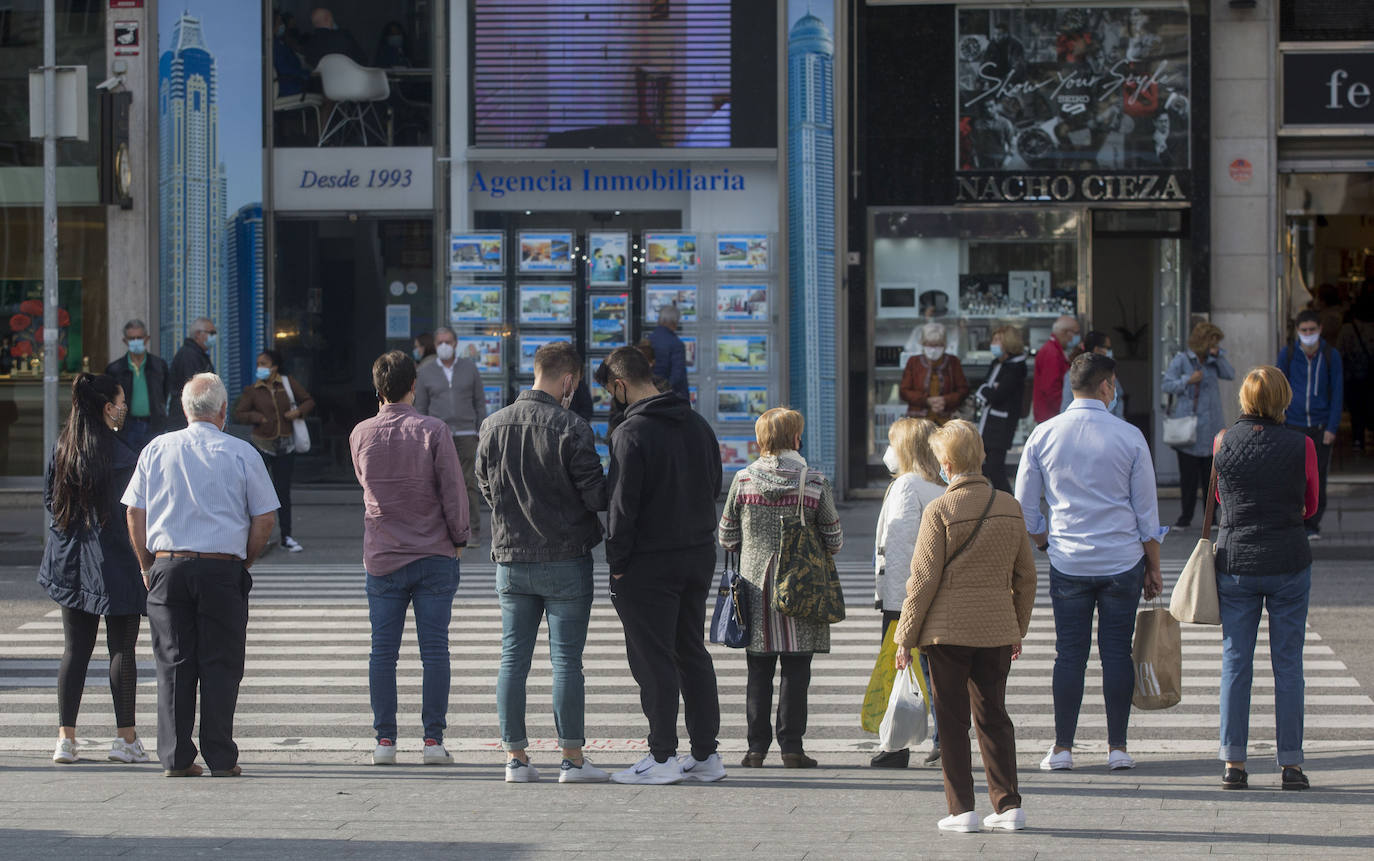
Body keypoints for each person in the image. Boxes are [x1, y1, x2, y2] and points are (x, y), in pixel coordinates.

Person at [1014, 353, 1165, 773]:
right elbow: (1146, 514)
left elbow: (1026, 509)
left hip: (1069, 561)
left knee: (1070, 654)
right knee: (1117, 652)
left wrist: (1045, 542)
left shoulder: (1043, 435)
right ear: (1105, 387)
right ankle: (1118, 747)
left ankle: (1062, 748)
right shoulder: (1130, 436)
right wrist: (1153, 566)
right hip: (1123, 560)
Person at [123, 373, 278, 777]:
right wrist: (244, 560)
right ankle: (221, 757)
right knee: (221, 663)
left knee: (174, 662)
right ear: (223, 413)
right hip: (221, 567)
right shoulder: (243, 452)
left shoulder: (157, 448)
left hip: (168, 565)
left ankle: (175, 757)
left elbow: (134, 512)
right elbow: (264, 518)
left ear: (185, 410)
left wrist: (145, 563)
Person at [476, 341, 610, 784]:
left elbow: (485, 487)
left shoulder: (491, 426)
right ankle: (571, 760)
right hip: (566, 559)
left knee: (512, 658)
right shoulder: (572, 427)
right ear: (568, 380)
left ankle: (515, 759)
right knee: (566, 661)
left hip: (511, 559)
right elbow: (595, 495)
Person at [895, 419, 1036, 833]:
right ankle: (1008, 806)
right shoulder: (1009, 506)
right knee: (994, 716)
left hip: (946, 633)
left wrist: (905, 635)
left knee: (953, 721)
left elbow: (922, 579)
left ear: (948, 463)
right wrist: (1017, 628)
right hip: (995, 631)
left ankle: (962, 811)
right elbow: (1025, 577)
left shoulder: (941, 509)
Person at [601, 346, 725, 785]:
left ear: (620, 385)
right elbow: (715, 484)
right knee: (691, 650)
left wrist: (616, 562)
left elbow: (621, 506)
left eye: (610, 393)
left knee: (652, 659)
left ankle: (661, 757)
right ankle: (707, 755)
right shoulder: (696, 423)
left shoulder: (630, 433)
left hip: (648, 562)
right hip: (697, 554)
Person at [350, 351, 469, 766]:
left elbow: (366, 485)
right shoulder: (434, 430)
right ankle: (433, 742)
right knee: (434, 650)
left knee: (383, 652)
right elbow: (453, 490)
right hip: (434, 552)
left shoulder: (360, 433)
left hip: (383, 555)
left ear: (377, 387)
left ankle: (385, 742)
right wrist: (459, 538)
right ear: (413, 386)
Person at [718, 408, 843, 770]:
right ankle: (792, 748)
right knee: (796, 672)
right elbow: (834, 539)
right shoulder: (814, 481)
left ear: (761, 441)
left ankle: (755, 749)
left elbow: (726, 537)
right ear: (796, 438)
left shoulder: (742, 480)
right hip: (800, 589)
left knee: (758, 672)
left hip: (755, 590)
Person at [1213, 366, 1319, 791]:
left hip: (1236, 561)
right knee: (1288, 665)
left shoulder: (1223, 441)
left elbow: (1221, 498)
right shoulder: (1303, 445)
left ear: (1245, 399)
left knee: (1235, 663)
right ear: (1283, 400)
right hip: (1289, 560)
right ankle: (1290, 765)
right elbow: (1310, 504)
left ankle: (1233, 764)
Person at [38, 374, 148, 765]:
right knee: (122, 648)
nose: (124, 410)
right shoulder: (123, 455)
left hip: (71, 561)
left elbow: (51, 504)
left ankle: (65, 739)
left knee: (75, 650)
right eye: (120, 403)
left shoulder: (64, 448)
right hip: (118, 559)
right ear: (107, 408)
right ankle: (126, 738)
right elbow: (133, 514)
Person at [871, 417, 946, 768]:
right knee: (934, 673)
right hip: (936, 591)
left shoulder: (907, 486)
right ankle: (944, 741)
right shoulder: (939, 485)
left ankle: (895, 745)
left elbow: (901, 548)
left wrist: (899, 609)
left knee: (901, 669)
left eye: (892, 443)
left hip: (906, 595)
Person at [233, 350, 315, 553]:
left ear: (274, 367)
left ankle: (287, 535)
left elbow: (308, 401)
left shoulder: (286, 383)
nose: (259, 367)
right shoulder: (253, 390)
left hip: (285, 446)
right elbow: (239, 413)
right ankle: (254, 537)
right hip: (262, 445)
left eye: (264, 363)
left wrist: (297, 412)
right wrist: (256, 417)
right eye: (258, 363)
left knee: (283, 492)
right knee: (255, 492)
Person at [415, 327, 487, 545]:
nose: (444, 346)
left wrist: (480, 430)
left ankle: (472, 530)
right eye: (439, 343)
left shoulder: (469, 368)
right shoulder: (426, 371)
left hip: (466, 434)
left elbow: (479, 401)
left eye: (448, 341)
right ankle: (440, 531)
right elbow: (421, 406)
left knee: (469, 484)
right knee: (437, 483)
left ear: (456, 344)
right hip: (437, 435)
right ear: (435, 346)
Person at [1278, 310, 1343, 539]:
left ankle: (1313, 524)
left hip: (1319, 426)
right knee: (1293, 476)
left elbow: (1337, 393)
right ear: (1297, 331)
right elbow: (1279, 387)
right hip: (1293, 425)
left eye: (1312, 330)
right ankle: (1296, 521)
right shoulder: (1288, 354)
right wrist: (1280, 420)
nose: (1308, 334)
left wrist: (1332, 427)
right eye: (1304, 330)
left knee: (1317, 476)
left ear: (1320, 330)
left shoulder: (1330, 355)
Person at [1162, 322, 1234, 529]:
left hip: (1212, 429)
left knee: (1211, 478)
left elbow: (1230, 374)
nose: (1215, 346)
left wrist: (1219, 355)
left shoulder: (1214, 362)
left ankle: (1211, 518)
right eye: (1213, 343)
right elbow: (1166, 383)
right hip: (1189, 430)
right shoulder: (1182, 360)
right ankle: (1185, 517)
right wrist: (1188, 379)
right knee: (1189, 479)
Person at [975, 325, 1027, 492]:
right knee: (989, 467)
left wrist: (988, 391)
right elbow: (985, 386)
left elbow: (997, 395)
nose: (993, 344)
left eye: (998, 340)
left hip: (1001, 426)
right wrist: (989, 390)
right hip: (989, 424)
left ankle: (1008, 505)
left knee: (995, 469)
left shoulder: (1016, 367)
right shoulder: (996, 364)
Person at [105, 318, 169, 452]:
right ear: (125, 341)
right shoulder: (115, 369)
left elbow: (165, 391)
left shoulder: (159, 365)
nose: (135, 341)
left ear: (146, 339)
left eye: (139, 338)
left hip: (154, 425)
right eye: (131, 338)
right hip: (127, 427)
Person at [898, 322, 969, 424]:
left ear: (944, 345)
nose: (933, 349)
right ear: (923, 344)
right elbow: (904, 392)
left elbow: (963, 390)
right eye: (930, 345)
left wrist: (945, 400)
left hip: (947, 422)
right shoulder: (913, 362)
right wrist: (926, 400)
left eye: (938, 345)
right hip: (918, 422)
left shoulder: (953, 362)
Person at [1336, 293, 1374, 453]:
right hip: (1372, 377)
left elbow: (1339, 353)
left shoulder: (1347, 329)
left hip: (1352, 377)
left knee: (1356, 409)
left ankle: (1358, 440)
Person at [1059, 331, 1124, 418]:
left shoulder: (1109, 373)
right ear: (1097, 349)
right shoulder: (1074, 374)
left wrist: (1118, 420)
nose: (1110, 351)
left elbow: (1119, 398)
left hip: (1110, 426)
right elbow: (1066, 407)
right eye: (1107, 348)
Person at [167, 317, 216, 430]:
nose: (214, 337)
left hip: (189, 416)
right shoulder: (189, 356)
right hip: (186, 418)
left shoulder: (198, 355)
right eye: (211, 333)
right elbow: (197, 389)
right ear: (198, 334)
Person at [1032, 315, 1079, 423]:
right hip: (1051, 417)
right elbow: (1051, 390)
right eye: (1076, 333)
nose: (1078, 337)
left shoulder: (1054, 350)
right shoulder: (1052, 354)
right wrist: (1067, 410)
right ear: (1066, 333)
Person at [647, 305, 689, 400]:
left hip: (649, 397)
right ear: (674, 321)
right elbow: (677, 377)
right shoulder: (677, 344)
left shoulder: (648, 340)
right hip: (670, 399)